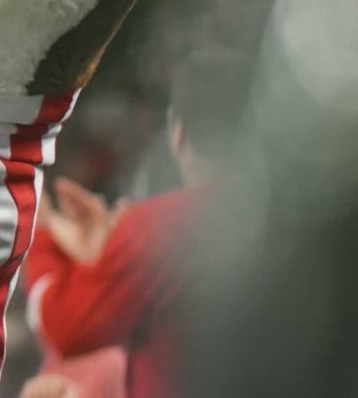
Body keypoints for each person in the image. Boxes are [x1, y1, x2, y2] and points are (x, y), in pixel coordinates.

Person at [23, 51, 251, 398]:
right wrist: (108, 253)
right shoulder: (295, 222)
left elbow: (66, 327)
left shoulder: (164, 227)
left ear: (179, 135)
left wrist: (38, 237)